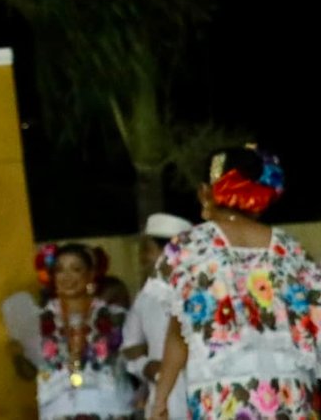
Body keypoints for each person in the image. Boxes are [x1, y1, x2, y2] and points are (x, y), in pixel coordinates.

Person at [151, 147, 321, 420]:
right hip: (290, 392)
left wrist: (160, 399)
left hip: (222, 394)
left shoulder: (189, 247)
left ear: (205, 192)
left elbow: (179, 332)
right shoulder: (291, 250)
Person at [28, 243, 137, 419]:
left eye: (76, 269)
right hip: (58, 411)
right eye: (60, 270)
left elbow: (137, 359)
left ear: (90, 274)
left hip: (110, 409)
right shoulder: (37, 322)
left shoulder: (116, 318)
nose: (67, 277)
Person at [122, 213, 194, 420]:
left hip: (202, 390)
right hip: (164, 398)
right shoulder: (147, 296)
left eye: (148, 250)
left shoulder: (205, 291)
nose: (143, 258)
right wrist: (146, 366)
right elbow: (130, 345)